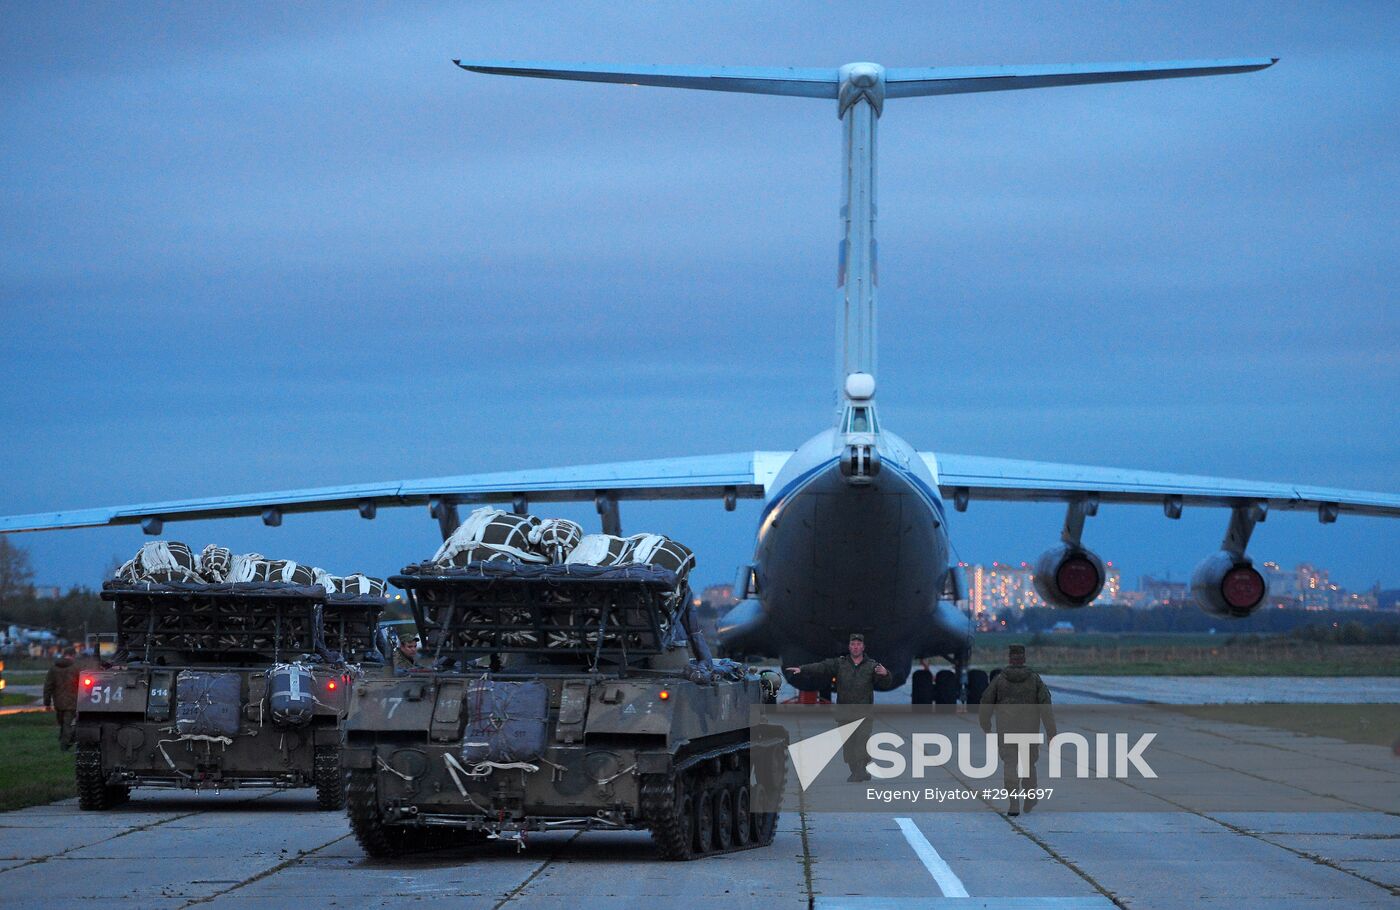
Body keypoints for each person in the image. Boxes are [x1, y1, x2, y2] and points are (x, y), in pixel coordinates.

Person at [786, 633, 897, 781]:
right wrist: (803, 669)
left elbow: (885, 684)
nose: (856, 647)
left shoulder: (872, 666)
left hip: (864, 713)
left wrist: (885, 674)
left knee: (861, 741)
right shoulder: (840, 664)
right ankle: (858, 770)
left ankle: (859, 772)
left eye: (858, 644)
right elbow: (822, 667)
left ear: (863, 647)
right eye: (853, 644)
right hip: (845, 712)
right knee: (849, 745)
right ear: (849, 647)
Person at [978, 643, 1057, 816]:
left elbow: (986, 702)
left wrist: (985, 724)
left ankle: (1014, 804)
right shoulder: (1035, 679)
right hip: (1029, 731)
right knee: (1028, 765)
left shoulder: (999, 680)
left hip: (1007, 732)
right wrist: (1051, 732)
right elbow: (1046, 706)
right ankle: (1030, 796)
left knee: (1010, 765)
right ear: (1023, 658)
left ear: (1010, 658)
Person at [42, 648, 80, 751]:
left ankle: (64, 740)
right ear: (72, 655)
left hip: (58, 702)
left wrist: (47, 703)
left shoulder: (53, 668)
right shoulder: (76, 668)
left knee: (62, 724)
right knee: (67, 725)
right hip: (72, 701)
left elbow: (48, 686)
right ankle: (65, 746)